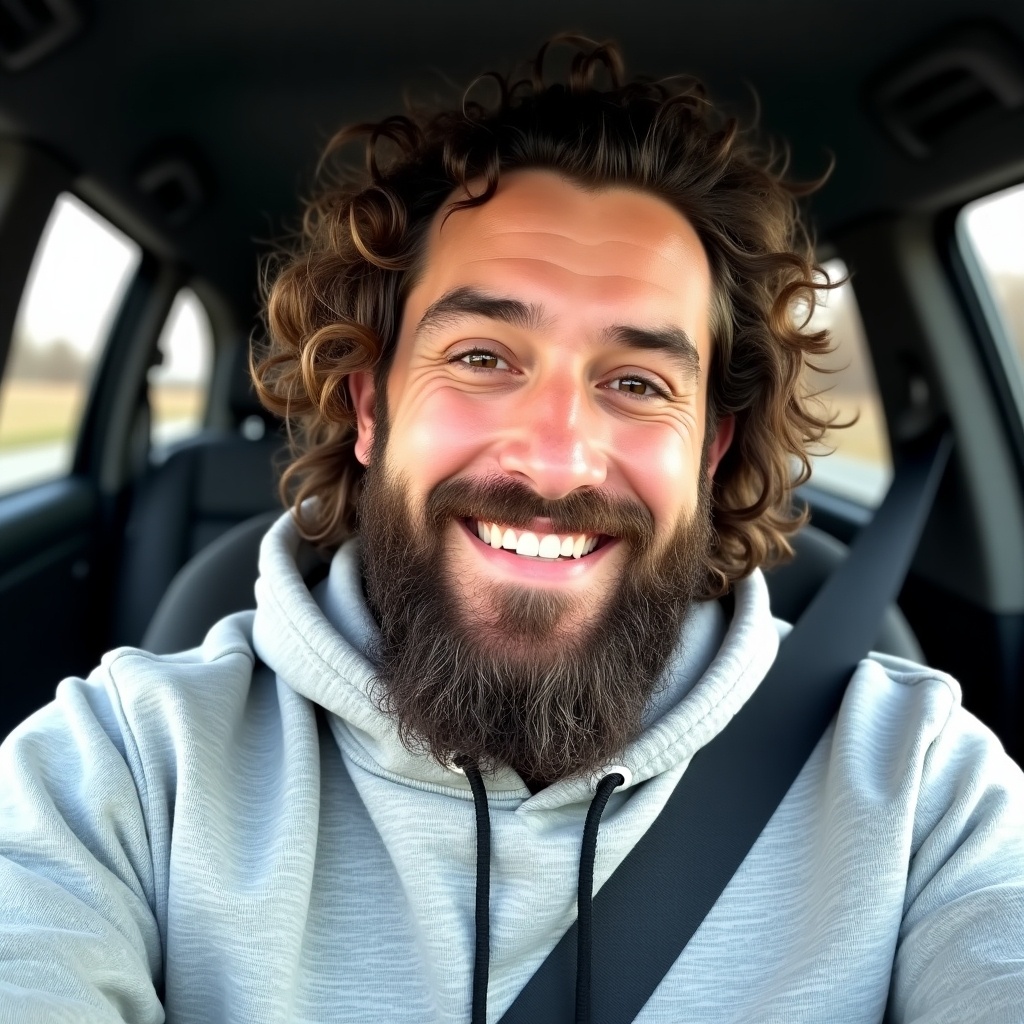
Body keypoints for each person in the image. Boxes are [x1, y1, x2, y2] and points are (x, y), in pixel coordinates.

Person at [1, 38, 1022, 1024]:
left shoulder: (921, 789)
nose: (554, 458)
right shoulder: (125, 773)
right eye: (484, 356)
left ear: (709, 450)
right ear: (369, 407)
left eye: (635, 382)